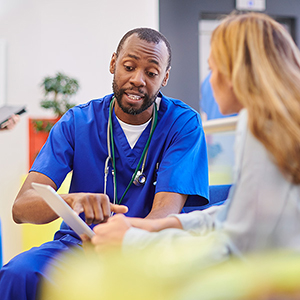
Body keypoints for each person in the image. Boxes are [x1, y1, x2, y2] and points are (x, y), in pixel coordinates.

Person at [0, 28, 209, 299]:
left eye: (152, 73)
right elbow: (21, 208)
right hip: (78, 246)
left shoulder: (182, 124)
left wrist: (124, 240)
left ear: (165, 78)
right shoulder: (77, 122)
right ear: (113, 63)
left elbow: (164, 215)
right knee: (18, 274)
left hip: (145, 249)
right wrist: (71, 202)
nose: (138, 80)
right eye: (129, 66)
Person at [87, 13, 300, 259]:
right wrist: (154, 226)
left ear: (236, 73)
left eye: (213, 68)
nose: (210, 79)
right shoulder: (267, 124)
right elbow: (232, 214)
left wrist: (132, 241)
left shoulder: (262, 131)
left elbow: (233, 246)